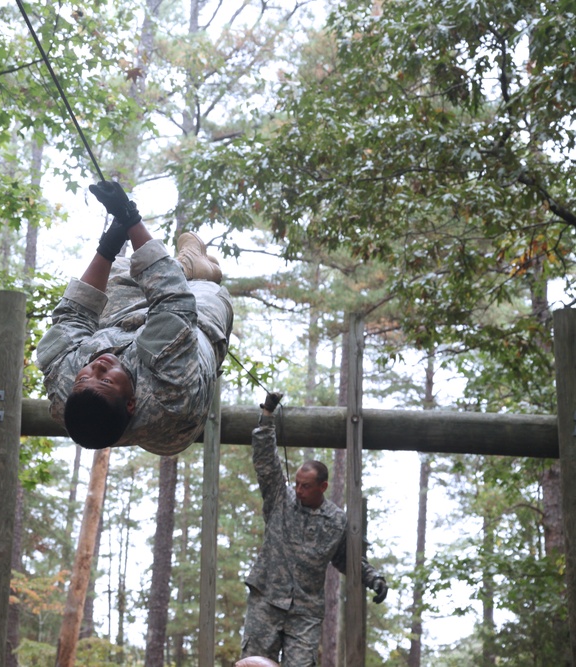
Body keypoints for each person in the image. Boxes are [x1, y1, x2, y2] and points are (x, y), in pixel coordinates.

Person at [36, 180, 233, 456]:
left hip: (129, 337)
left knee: (117, 270)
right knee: (195, 290)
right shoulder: (170, 390)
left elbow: (73, 314)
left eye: (85, 377)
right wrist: (130, 218)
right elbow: (173, 301)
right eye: (105, 380)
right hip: (199, 324)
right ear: (131, 403)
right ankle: (193, 268)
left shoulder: (66, 388)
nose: (97, 368)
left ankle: (184, 266)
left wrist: (108, 245)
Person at [240, 391, 388, 667]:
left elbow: (349, 559)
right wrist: (267, 415)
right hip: (266, 602)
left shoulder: (336, 520)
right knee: (254, 665)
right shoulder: (279, 498)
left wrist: (374, 579)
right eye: (296, 483)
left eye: (305, 486)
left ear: (323, 487)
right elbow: (265, 461)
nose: (298, 490)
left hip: (305, 613)